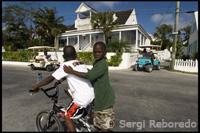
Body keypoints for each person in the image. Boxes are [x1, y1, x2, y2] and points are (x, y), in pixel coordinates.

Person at [30, 45, 95, 132]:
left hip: (83, 98)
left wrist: (35, 87)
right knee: (66, 90)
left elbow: (50, 78)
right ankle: (79, 112)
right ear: (75, 55)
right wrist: (61, 79)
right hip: (92, 93)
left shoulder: (65, 65)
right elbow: (72, 73)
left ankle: (77, 109)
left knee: (67, 117)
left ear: (63, 57)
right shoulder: (80, 63)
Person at [63, 42, 115, 132]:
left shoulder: (102, 64)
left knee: (104, 125)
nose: (97, 54)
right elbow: (93, 73)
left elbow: (89, 76)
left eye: (99, 52)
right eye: (95, 52)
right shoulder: (98, 62)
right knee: (100, 123)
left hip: (104, 99)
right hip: (100, 97)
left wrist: (72, 72)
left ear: (105, 52)